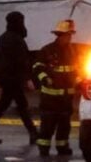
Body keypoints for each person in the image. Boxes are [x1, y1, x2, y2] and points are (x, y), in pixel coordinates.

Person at [0, 11, 38, 146]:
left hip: (7, 78)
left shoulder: (3, 38)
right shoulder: (16, 40)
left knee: (7, 105)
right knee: (20, 106)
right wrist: (27, 79)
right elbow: (21, 61)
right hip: (13, 79)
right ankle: (33, 133)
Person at [33, 19, 80, 157]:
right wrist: (45, 79)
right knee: (48, 124)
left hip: (66, 97)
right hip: (50, 97)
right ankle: (43, 148)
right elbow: (37, 67)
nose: (70, 37)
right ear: (59, 35)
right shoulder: (47, 50)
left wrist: (78, 81)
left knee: (64, 125)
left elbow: (77, 70)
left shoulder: (72, 51)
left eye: (71, 35)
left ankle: (62, 147)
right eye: (67, 35)